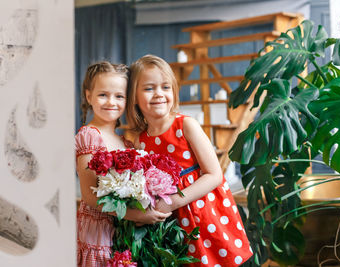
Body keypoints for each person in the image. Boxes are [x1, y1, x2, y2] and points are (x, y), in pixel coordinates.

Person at [127, 55, 253, 266]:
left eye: (165, 87)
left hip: (201, 210)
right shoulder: (140, 139)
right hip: (171, 220)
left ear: (173, 91)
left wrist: (176, 200)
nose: (158, 94)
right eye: (149, 89)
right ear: (134, 97)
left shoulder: (185, 125)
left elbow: (214, 175)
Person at [75, 61, 171, 267]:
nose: (111, 102)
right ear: (88, 95)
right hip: (98, 230)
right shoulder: (89, 136)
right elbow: (89, 196)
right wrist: (137, 215)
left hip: (122, 228)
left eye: (119, 96)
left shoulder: (125, 142)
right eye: (103, 95)